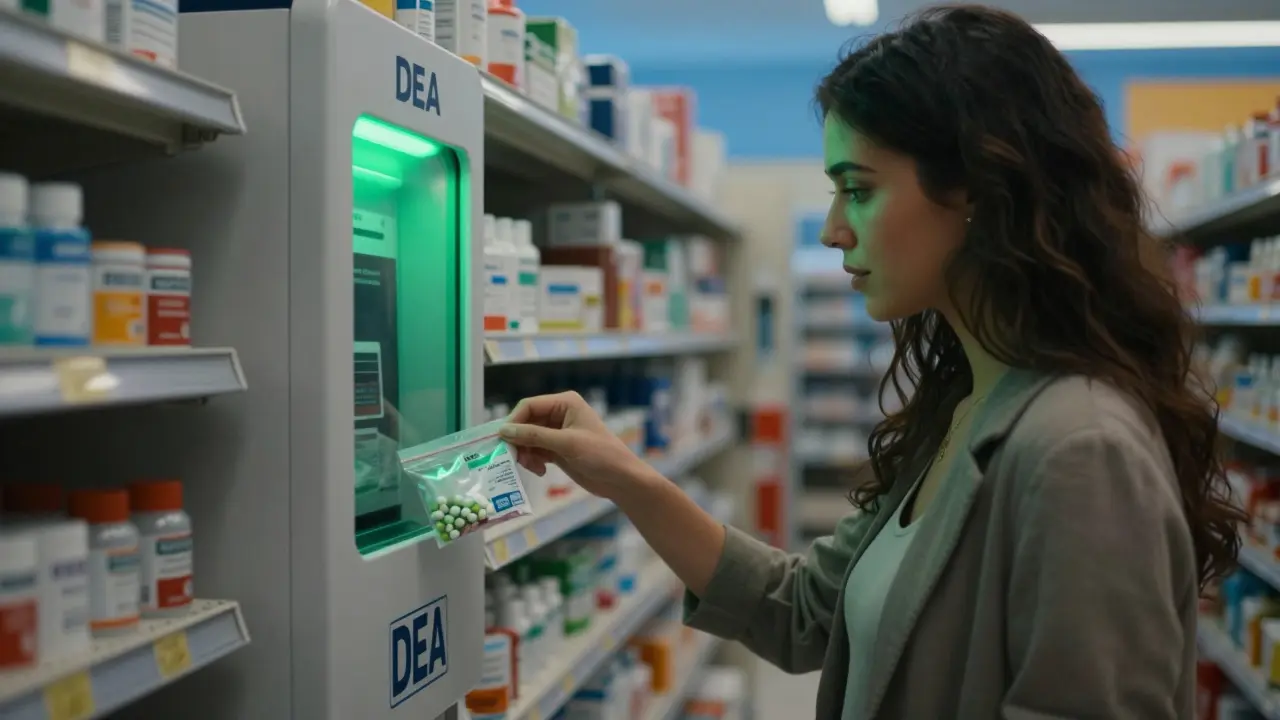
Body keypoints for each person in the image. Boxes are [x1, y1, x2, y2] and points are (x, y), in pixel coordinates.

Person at [498, 5, 1241, 718]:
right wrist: (624, 476)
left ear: (979, 190)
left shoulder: (1082, 450)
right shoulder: (965, 406)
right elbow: (802, 610)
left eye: (857, 190)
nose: (830, 231)